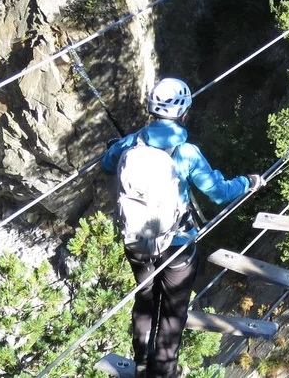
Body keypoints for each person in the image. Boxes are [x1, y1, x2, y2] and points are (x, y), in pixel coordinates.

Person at [101, 77, 264, 378]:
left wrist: (116, 147)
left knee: (144, 299)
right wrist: (249, 182)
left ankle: (140, 363)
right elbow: (220, 193)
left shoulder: (133, 141)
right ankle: (164, 372)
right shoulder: (187, 152)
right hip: (177, 245)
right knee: (173, 311)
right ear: (184, 111)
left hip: (137, 241)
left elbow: (107, 164)